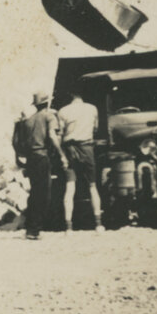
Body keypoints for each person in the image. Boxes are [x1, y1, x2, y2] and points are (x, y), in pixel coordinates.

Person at [17, 91, 68, 240]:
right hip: (42, 156)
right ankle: (34, 230)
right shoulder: (49, 116)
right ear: (47, 102)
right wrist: (61, 154)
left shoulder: (29, 120)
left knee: (34, 192)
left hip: (31, 158)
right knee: (43, 194)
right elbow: (52, 135)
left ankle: (30, 227)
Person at [58, 90, 104, 232]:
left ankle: (68, 227)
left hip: (69, 149)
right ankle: (98, 224)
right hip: (87, 148)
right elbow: (95, 128)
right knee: (92, 186)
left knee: (70, 187)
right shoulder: (92, 108)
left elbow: (60, 133)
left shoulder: (63, 111)